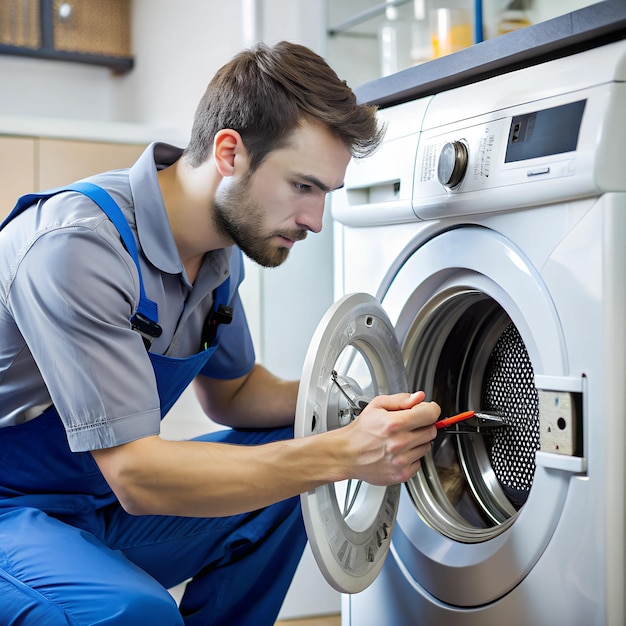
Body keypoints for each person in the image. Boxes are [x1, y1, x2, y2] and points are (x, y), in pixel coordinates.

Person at [0, 41, 439, 625]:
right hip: (14, 512)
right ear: (229, 152)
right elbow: (137, 475)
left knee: (296, 449)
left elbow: (233, 395)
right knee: (135, 614)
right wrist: (341, 453)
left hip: (92, 502)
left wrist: (349, 407)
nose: (314, 220)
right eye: (302, 186)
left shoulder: (219, 254)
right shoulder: (78, 247)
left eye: (325, 194)